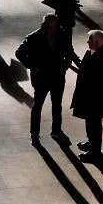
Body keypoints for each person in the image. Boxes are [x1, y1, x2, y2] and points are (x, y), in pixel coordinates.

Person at [16, 13, 78, 146]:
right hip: (41, 78)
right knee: (38, 105)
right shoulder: (32, 38)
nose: (53, 30)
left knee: (57, 105)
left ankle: (56, 130)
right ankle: (34, 134)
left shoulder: (62, 34)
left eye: (55, 27)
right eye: (50, 27)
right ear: (44, 25)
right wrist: (33, 67)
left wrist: (67, 63)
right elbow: (19, 53)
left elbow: (69, 50)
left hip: (57, 76)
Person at [71, 30, 103, 162]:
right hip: (89, 96)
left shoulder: (102, 57)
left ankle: (95, 151)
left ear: (97, 42)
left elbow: (95, 79)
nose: (87, 41)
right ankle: (91, 142)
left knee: (94, 124)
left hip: (95, 99)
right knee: (90, 122)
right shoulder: (93, 52)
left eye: (90, 39)